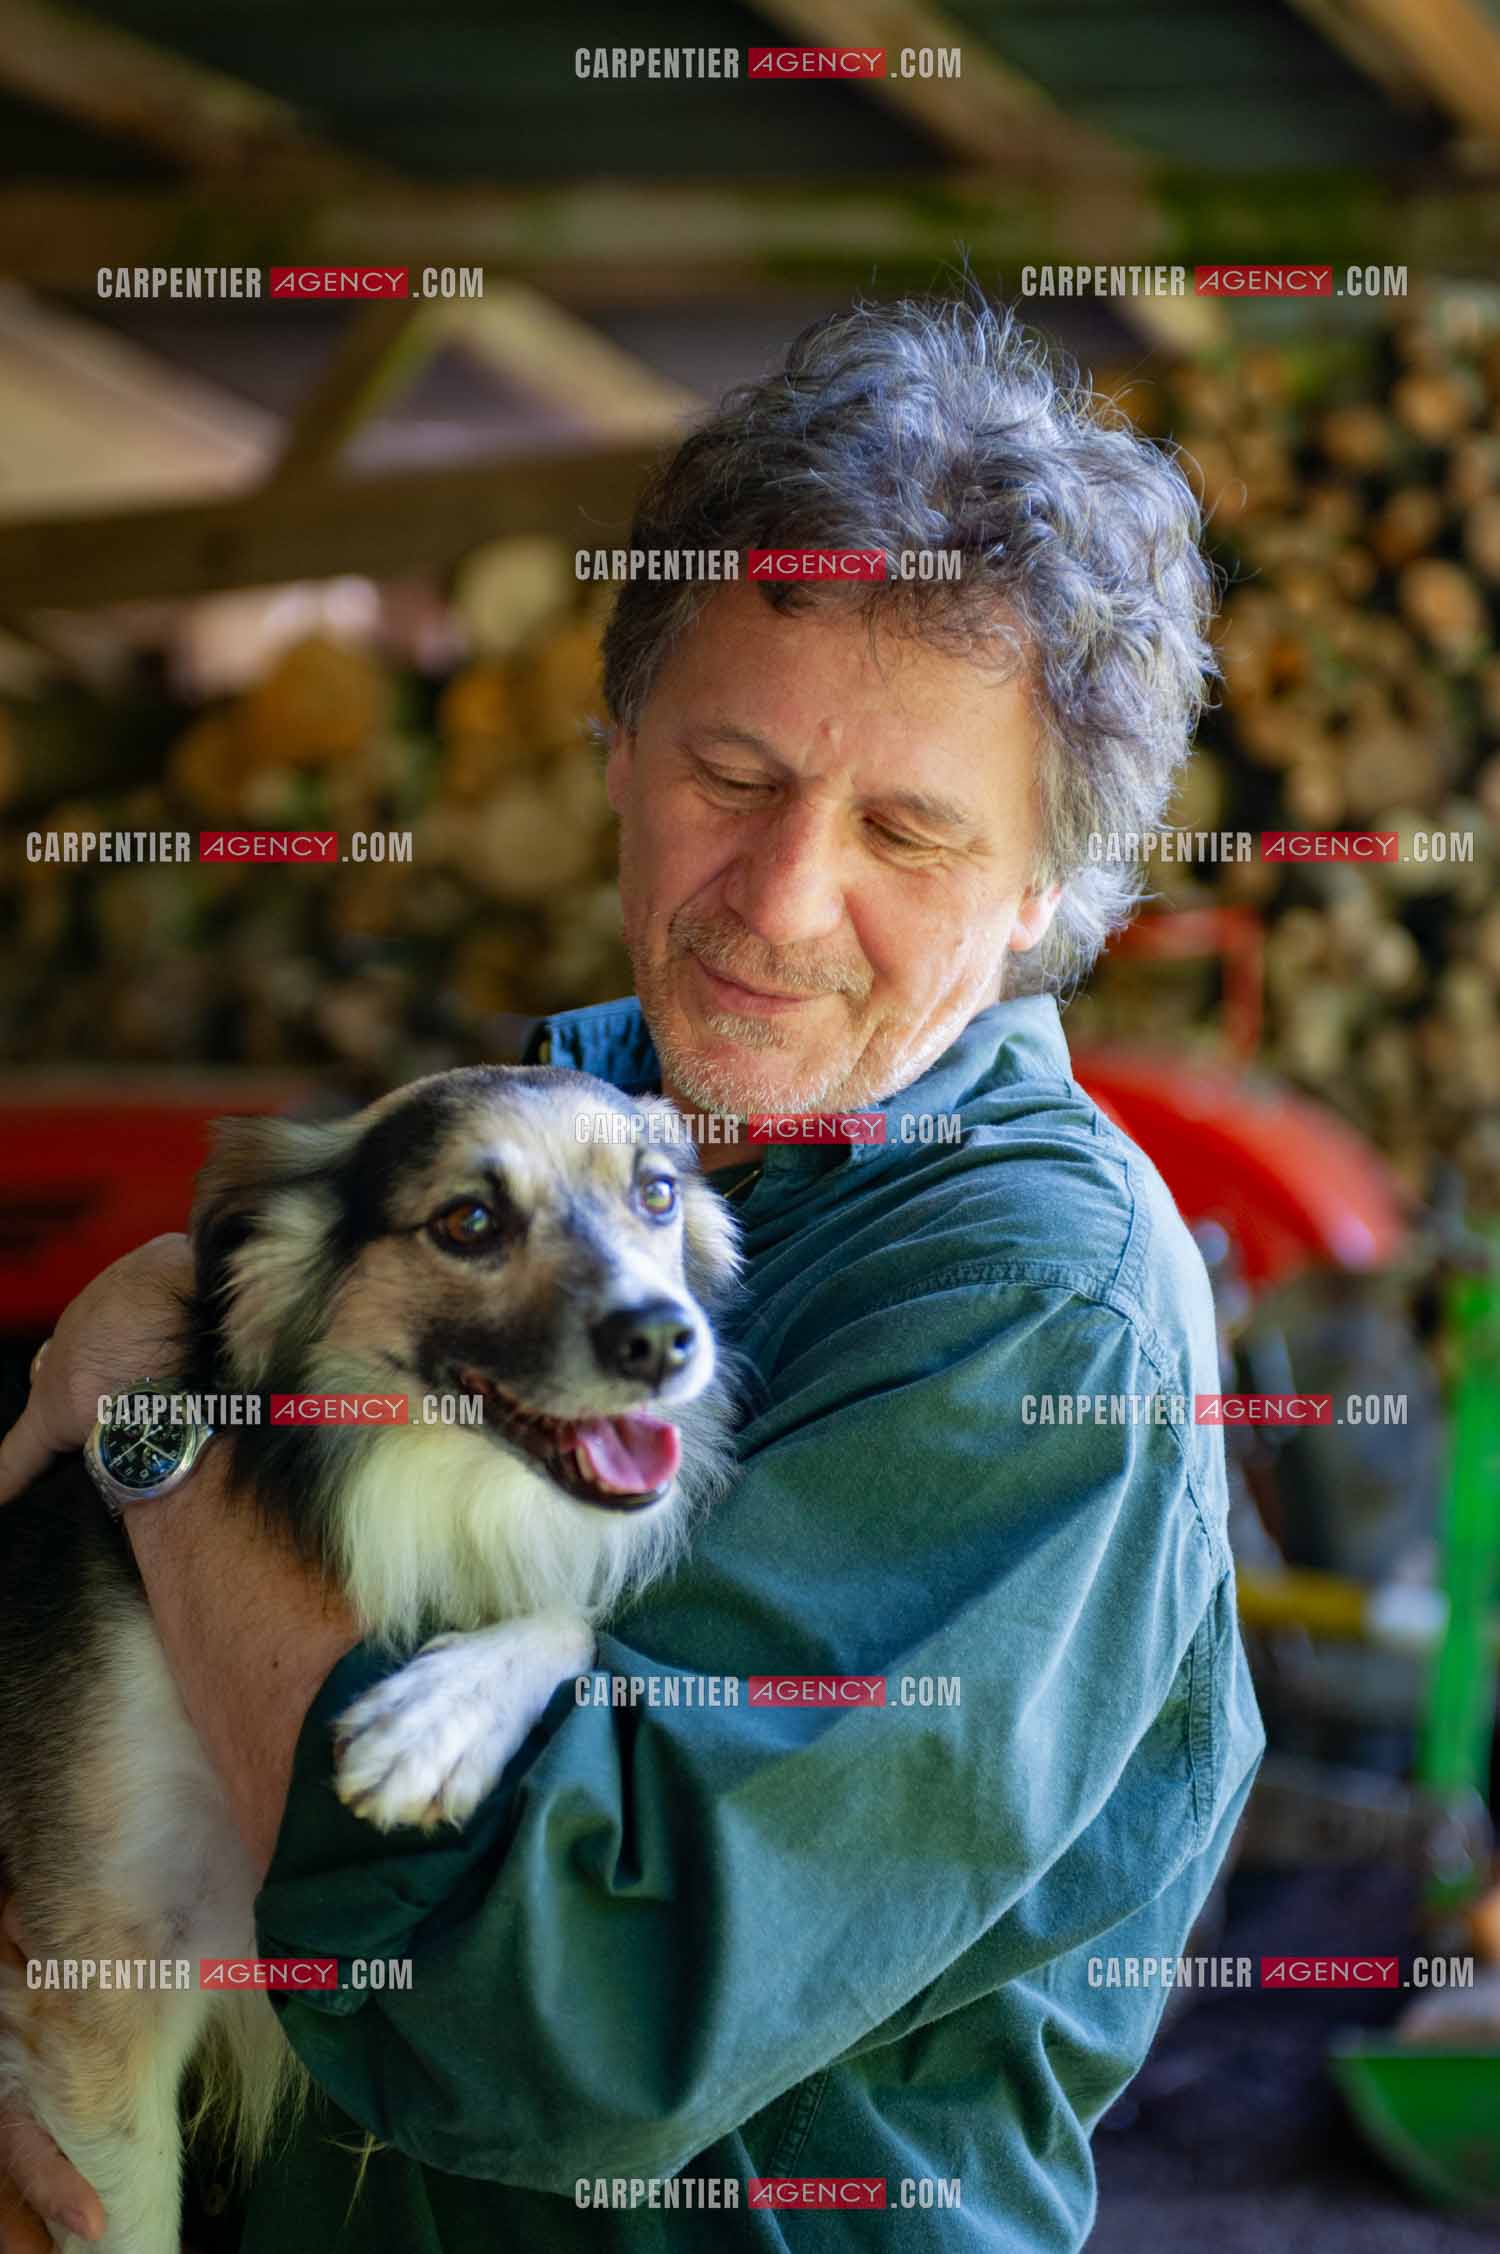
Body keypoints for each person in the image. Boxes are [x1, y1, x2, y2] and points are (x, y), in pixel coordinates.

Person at [0, 294, 1264, 2252]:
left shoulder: (1031, 1304)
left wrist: (159, 1409)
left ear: (1040, 905)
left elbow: (546, 2009)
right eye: (733, 772)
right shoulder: (563, 1109)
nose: (777, 897)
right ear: (614, 752)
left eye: (909, 829)